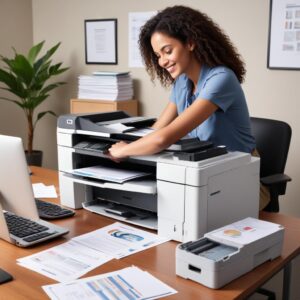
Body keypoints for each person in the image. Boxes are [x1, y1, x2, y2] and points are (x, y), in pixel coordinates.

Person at [108, 5, 256, 162]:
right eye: (158, 55)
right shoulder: (182, 81)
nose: (162, 62)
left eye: (168, 51)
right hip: (206, 165)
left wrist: (124, 150)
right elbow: (157, 130)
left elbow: (162, 139)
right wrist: (128, 147)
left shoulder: (221, 79)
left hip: (240, 169)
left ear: (190, 43)